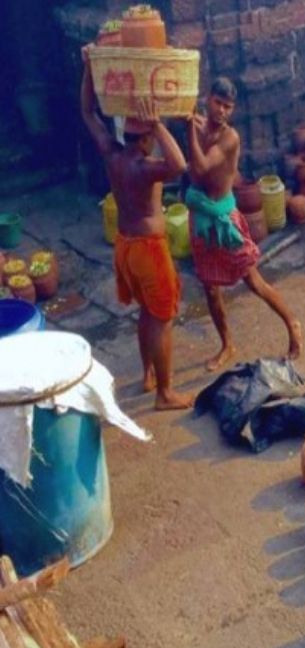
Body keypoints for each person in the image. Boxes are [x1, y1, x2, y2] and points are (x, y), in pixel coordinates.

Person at [80, 54, 193, 410]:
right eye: (151, 138)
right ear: (144, 140)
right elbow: (180, 165)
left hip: (124, 246)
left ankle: (147, 374)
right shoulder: (145, 167)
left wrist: (88, 69)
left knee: (146, 311)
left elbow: (87, 112)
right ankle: (165, 393)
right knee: (163, 318)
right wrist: (158, 124)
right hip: (148, 248)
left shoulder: (112, 153)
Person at [185, 77, 302, 371]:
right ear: (207, 99)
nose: (222, 110)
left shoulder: (230, 138)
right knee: (210, 288)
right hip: (201, 219)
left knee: (253, 281)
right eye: (218, 103)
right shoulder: (200, 124)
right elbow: (189, 125)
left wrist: (187, 127)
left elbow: (199, 166)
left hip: (225, 219)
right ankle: (227, 345)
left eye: (228, 106)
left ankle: (292, 323)